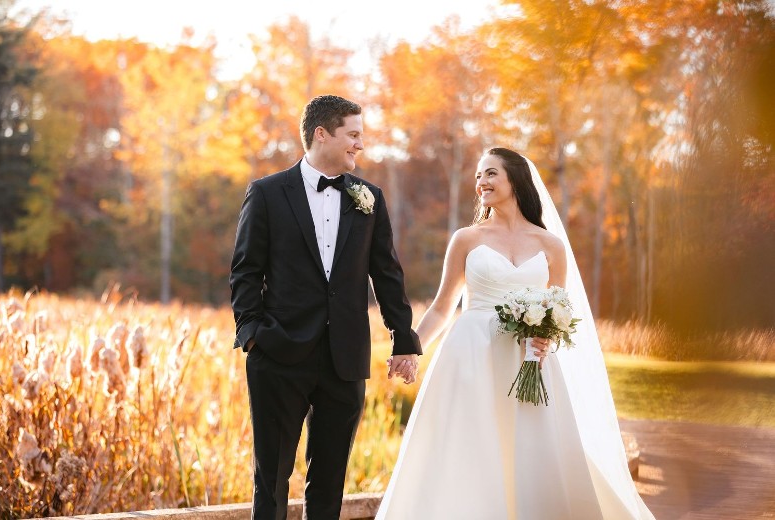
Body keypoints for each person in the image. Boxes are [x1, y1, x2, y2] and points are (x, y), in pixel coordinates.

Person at [375, 147, 654, 519]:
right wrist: (410, 349)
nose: (481, 182)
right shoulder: (466, 239)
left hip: (529, 363)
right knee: (471, 448)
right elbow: (443, 307)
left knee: (530, 449)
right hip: (471, 357)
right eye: (477, 176)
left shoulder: (551, 246)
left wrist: (546, 338)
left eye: (490, 174)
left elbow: (559, 313)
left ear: (515, 180)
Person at [230, 94, 421, 520]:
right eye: (353, 134)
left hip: (344, 358)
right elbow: (245, 270)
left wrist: (403, 340)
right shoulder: (266, 194)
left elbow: (386, 274)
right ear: (322, 133)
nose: (360, 144)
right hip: (278, 355)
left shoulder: (369, 198)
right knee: (271, 479)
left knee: (330, 480)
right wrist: (253, 334)